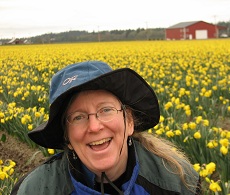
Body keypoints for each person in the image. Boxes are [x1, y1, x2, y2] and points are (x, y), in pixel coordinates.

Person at [11, 61, 201, 195]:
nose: (94, 126)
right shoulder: (36, 189)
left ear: (129, 122)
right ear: (67, 137)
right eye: (78, 117)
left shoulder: (177, 181)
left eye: (106, 110)